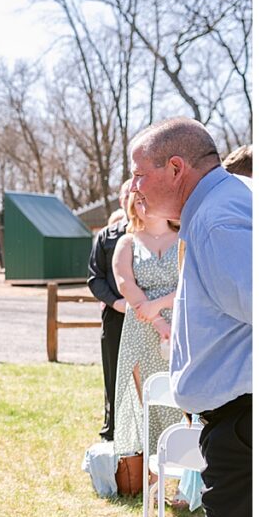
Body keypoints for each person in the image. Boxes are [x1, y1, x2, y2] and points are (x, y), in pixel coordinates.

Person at [128, 118, 251, 517]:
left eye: (139, 173)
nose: (134, 186)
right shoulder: (224, 204)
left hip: (244, 425)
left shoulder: (218, 220)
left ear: (175, 168)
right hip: (238, 419)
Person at [111, 190, 181, 457]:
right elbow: (125, 283)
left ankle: (183, 465)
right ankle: (152, 466)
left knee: (181, 393)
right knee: (150, 398)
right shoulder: (127, 242)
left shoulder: (184, 238)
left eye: (149, 198)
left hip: (180, 323)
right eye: (139, 201)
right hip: (142, 327)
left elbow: (192, 282)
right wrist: (157, 320)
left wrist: (159, 304)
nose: (145, 204)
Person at [87, 181, 130, 442]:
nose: (131, 197)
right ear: (120, 200)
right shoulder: (107, 236)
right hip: (115, 315)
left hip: (151, 316)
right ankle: (112, 429)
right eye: (126, 194)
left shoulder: (160, 231)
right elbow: (95, 278)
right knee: (114, 373)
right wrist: (116, 303)